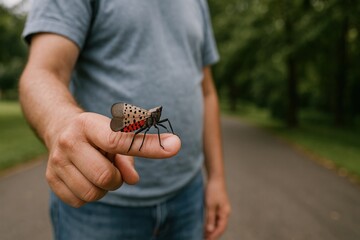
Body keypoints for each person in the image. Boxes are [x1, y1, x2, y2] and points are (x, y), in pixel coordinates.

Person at [19, 0, 231, 239]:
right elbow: (42, 71)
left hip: (190, 192)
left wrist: (216, 178)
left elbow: (208, 92)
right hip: (101, 204)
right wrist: (60, 123)